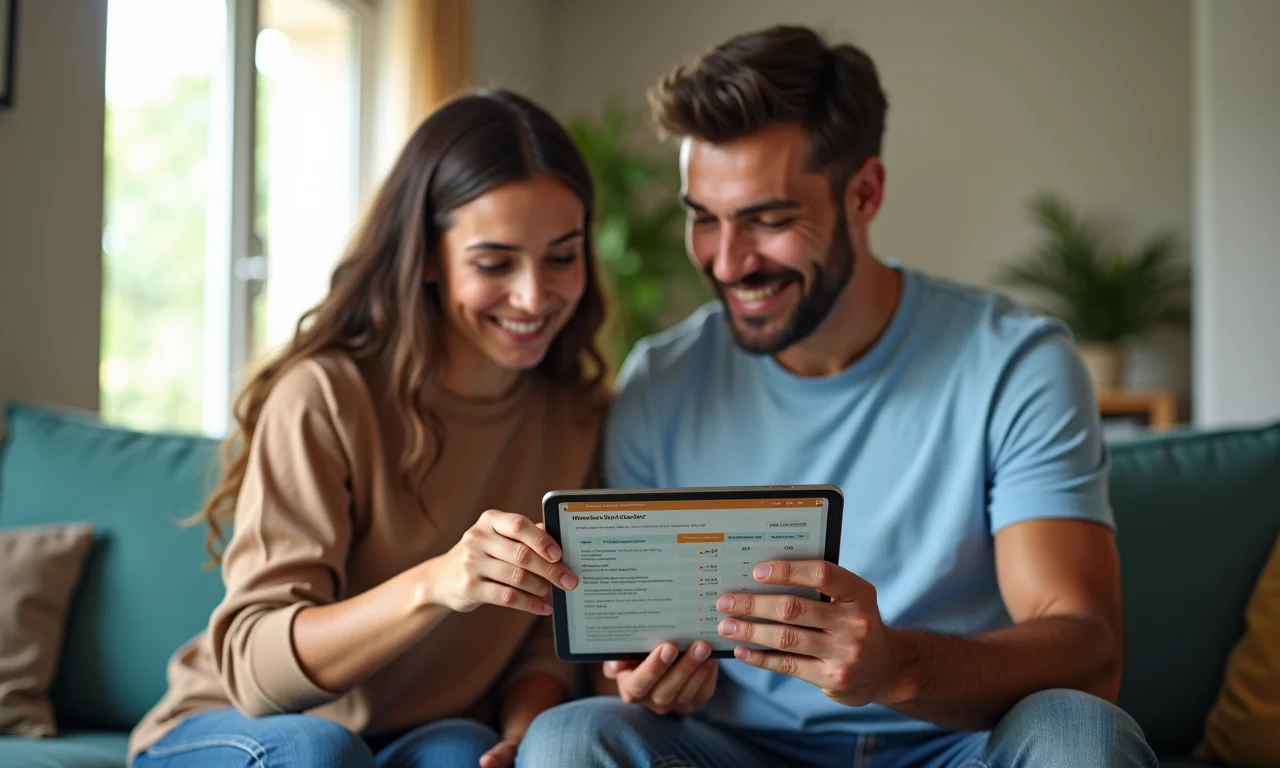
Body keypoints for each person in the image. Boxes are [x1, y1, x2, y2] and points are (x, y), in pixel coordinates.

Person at [518, 25, 1158, 768]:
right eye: (703, 218)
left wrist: (894, 667)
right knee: (568, 740)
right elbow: (619, 658)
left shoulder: (1017, 364)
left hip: (957, 744)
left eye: (768, 220)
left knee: (1081, 735)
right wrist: (648, 681)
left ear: (865, 193)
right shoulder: (660, 380)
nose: (726, 262)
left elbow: (1086, 648)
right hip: (735, 749)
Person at [128, 90, 606, 768]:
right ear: (429, 257)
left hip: (420, 733)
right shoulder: (325, 396)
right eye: (494, 262)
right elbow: (257, 671)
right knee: (321, 752)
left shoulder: (577, 414)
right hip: (238, 726)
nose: (533, 295)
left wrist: (524, 738)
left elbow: (542, 640)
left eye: (561, 257)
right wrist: (438, 583)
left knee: (465, 754)